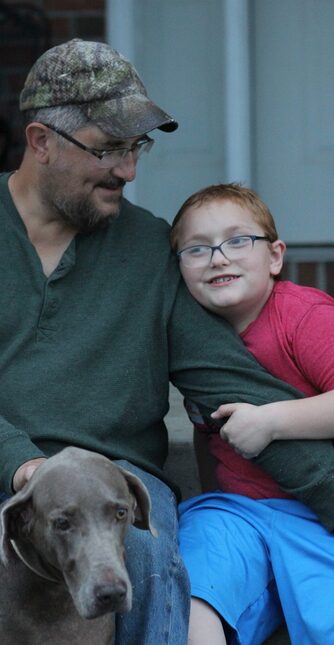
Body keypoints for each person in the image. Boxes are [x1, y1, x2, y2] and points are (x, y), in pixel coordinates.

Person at [0, 39, 333, 645]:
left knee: (146, 549)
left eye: (137, 147)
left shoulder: (148, 249)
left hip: (106, 492)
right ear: (41, 142)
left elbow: (233, 392)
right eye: (108, 149)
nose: (129, 171)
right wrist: (25, 468)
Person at [170, 183, 334, 645]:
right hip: (238, 511)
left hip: (315, 515)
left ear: (276, 257)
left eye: (238, 240)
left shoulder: (304, 317)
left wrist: (272, 421)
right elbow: (209, 439)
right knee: (192, 587)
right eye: (197, 249)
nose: (218, 258)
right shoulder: (192, 341)